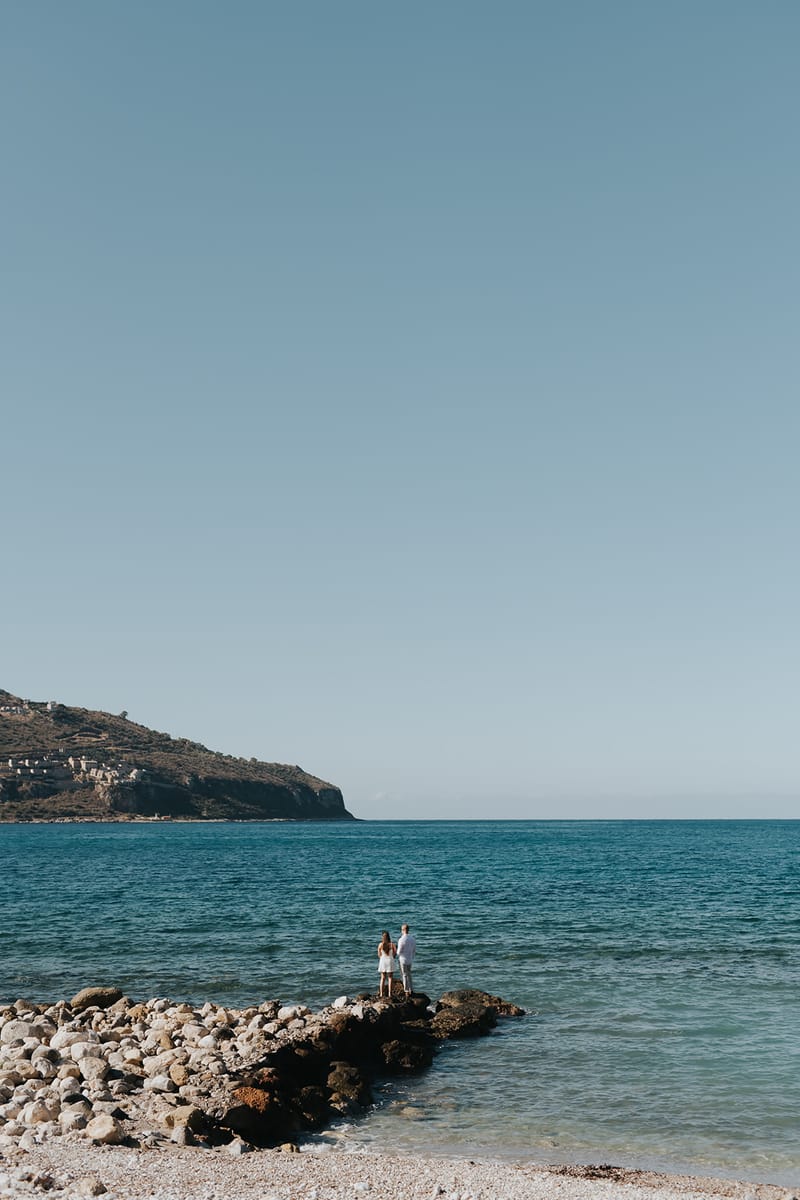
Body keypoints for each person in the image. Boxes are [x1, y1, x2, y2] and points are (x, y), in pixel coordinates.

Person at [396, 922, 416, 996]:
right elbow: (414, 950)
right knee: (409, 974)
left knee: (404, 975)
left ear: (403, 930)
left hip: (403, 959)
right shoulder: (413, 939)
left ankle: (406, 990)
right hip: (410, 959)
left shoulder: (401, 939)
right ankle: (411, 989)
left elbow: (398, 952)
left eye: (401, 929)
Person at [377, 930, 397, 998]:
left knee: (382, 978)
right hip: (390, 961)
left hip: (383, 961)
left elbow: (379, 955)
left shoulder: (380, 944)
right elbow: (395, 954)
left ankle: (381, 994)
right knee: (390, 978)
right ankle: (389, 994)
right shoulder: (392, 944)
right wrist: (392, 957)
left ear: (382, 937)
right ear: (389, 937)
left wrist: (382, 958)